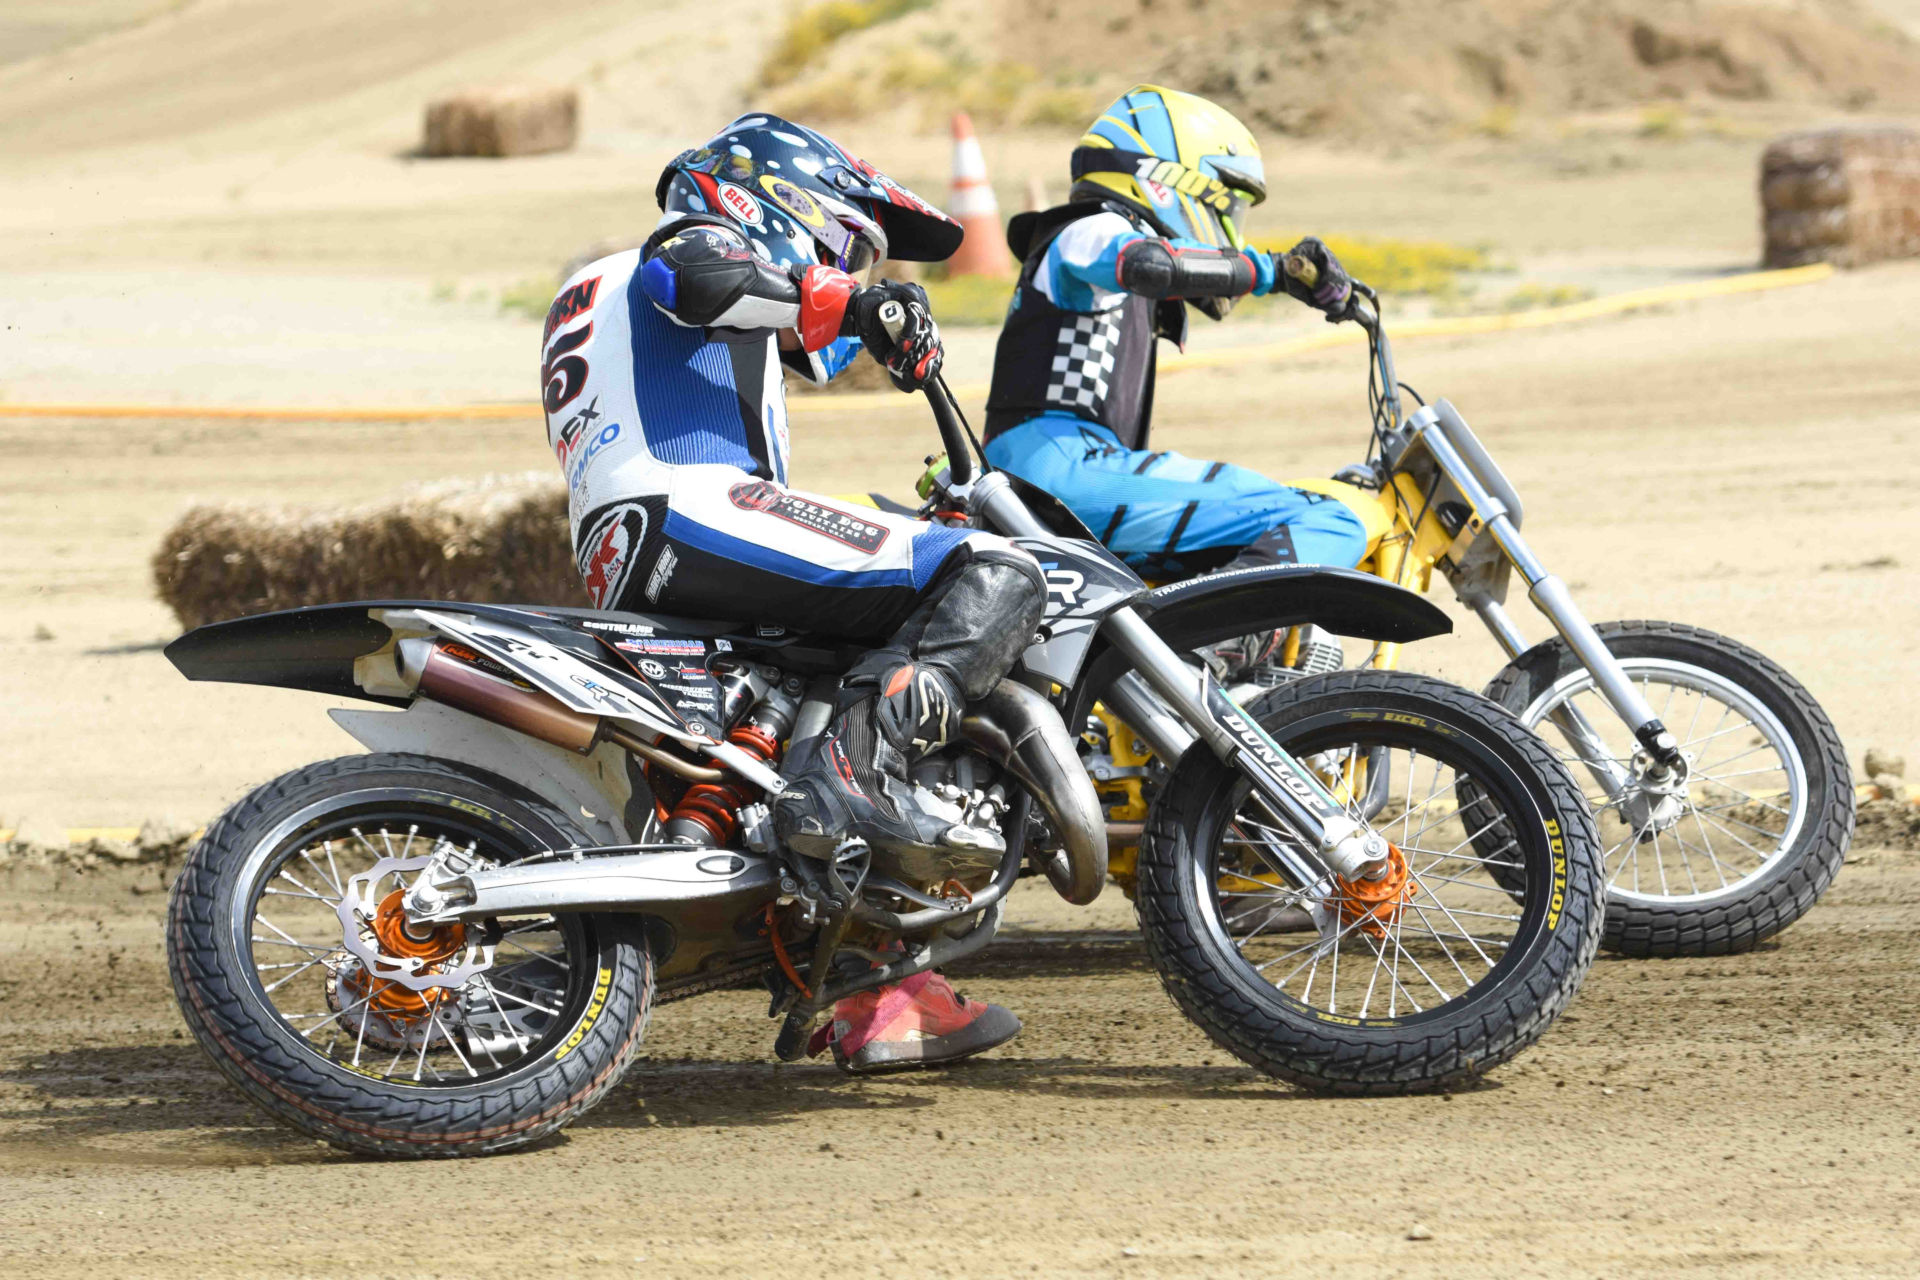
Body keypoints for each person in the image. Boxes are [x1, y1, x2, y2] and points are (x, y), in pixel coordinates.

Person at [543, 114, 1037, 1072]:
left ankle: (879, 994)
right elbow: (692, 274)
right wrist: (853, 302)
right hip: (686, 509)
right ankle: (851, 788)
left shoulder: (636, 310)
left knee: (833, 690)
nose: (850, 262)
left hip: (634, 536)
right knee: (994, 572)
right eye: (845, 239)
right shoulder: (692, 242)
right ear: (776, 196)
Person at [982, 85, 1371, 675]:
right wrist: (1275, 272)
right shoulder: (1088, 228)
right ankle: (1198, 658)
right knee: (1326, 518)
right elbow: (1148, 263)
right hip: (1060, 471)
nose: (1230, 230)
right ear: (1169, 182)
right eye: (1228, 207)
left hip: (1060, 471)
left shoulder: (1091, 240)